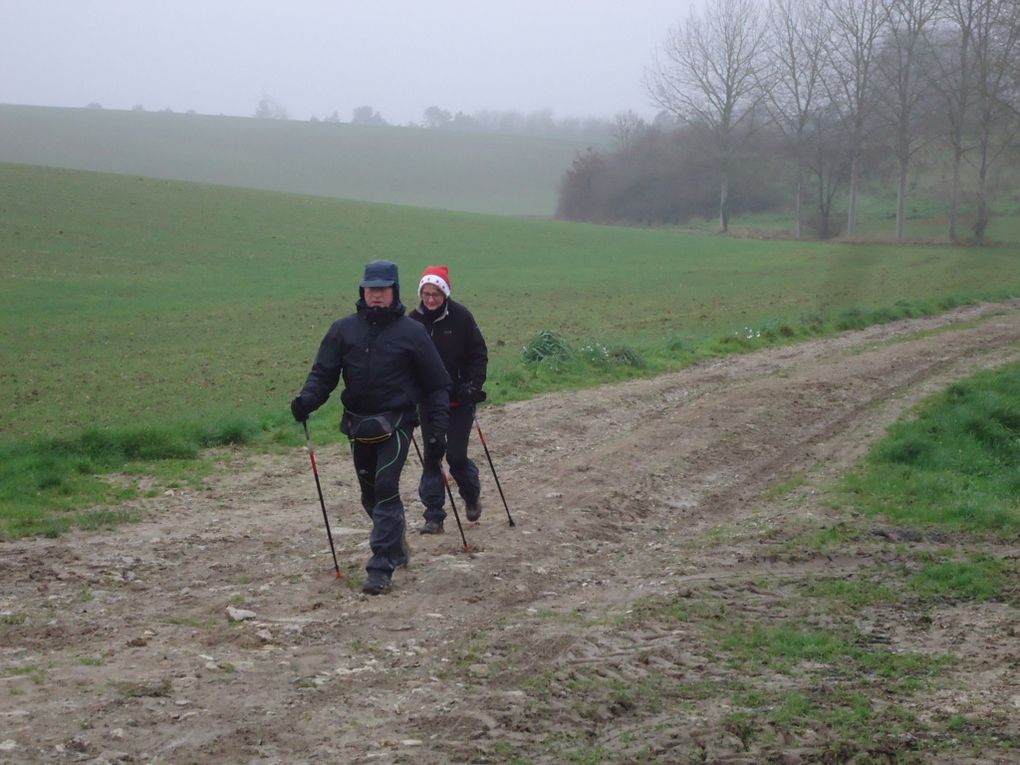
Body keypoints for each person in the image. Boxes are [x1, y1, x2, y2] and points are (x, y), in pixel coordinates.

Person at [290, 260, 450, 595]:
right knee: (370, 495)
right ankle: (395, 543)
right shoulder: (342, 330)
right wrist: (307, 400)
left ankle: (380, 567)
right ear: (362, 290)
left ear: (394, 291)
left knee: (386, 485)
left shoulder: (412, 333)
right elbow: (324, 374)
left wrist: (437, 431)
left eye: (383, 289)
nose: (376, 296)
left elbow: (436, 385)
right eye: (370, 289)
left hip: (398, 421)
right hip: (358, 423)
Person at [410, 265, 489, 534]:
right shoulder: (412, 322)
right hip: (429, 401)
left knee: (455, 456)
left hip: (459, 401)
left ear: (445, 293)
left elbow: (478, 354)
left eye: (436, 293)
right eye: (426, 293)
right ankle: (434, 517)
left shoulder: (461, 318)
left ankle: (471, 494)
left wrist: (472, 385)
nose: (430, 299)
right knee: (432, 455)